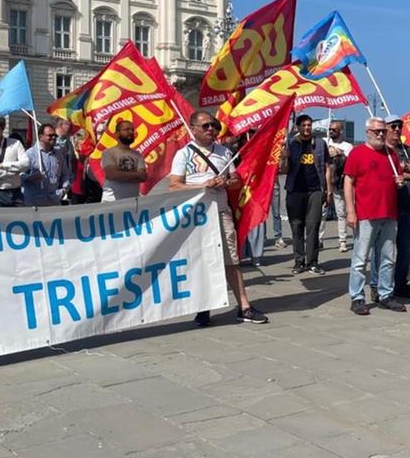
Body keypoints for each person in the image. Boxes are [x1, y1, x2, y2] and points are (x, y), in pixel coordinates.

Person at [169, 110, 268, 326]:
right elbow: (174, 185)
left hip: (221, 211)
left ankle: (244, 306)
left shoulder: (224, 152)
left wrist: (225, 183)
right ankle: (203, 308)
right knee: (200, 261)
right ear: (193, 128)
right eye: (205, 126)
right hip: (197, 216)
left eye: (213, 125)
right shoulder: (183, 154)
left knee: (231, 260)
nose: (211, 129)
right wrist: (203, 185)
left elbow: (236, 180)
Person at [343, 117, 406, 315]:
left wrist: (399, 182)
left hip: (389, 212)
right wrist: (351, 211)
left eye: (382, 131)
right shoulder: (357, 153)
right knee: (361, 258)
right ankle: (357, 297)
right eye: (376, 131)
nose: (380, 134)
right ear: (367, 132)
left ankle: (385, 293)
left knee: (388, 257)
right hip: (366, 214)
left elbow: (396, 180)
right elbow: (348, 182)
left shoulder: (391, 155)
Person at [368, 115, 410, 299]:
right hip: (387, 208)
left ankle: (400, 283)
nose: (396, 129)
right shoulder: (380, 151)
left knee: (405, 248)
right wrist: (408, 174)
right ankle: (376, 285)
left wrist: (404, 168)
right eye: (393, 126)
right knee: (382, 249)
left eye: (399, 126)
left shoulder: (406, 150)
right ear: (384, 129)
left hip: (407, 207)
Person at [280, 114, 332, 274]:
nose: (307, 128)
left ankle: (313, 262)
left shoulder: (320, 144)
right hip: (295, 190)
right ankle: (299, 261)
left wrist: (328, 190)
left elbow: (327, 168)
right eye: (303, 125)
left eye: (309, 125)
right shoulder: (290, 144)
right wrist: (284, 158)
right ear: (297, 127)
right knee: (296, 227)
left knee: (313, 226)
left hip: (315, 190)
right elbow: (284, 170)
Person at [22, 124, 71, 206]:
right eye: (50, 135)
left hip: (53, 201)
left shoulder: (58, 155)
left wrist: (64, 189)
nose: (54, 137)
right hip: (34, 204)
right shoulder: (29, 154)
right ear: (40, 137)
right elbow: (20, 176)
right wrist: (30, 178)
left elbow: (65, 174)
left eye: (55, 135)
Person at [325, 119, 354, 252]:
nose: (331, 132)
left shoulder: (347, 146)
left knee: (342, 212)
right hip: (326, 183)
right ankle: (318, 239)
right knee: (321, 213)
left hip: (340, 183)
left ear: (341, 131)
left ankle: (343, 241)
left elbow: (352, 163)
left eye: (334, 130)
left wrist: (340, 153)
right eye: (330, 129)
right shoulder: (325, 143)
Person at [100, 120, 146, 202]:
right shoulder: (108, 153)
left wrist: (121, 175)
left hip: (132, 202)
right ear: (117, 134)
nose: (131, 132)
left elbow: (143, 176)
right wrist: (136, 175)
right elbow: (112, 175)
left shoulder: (138, 155)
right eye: (127, 129)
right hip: (111, 202)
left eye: (132, 130)